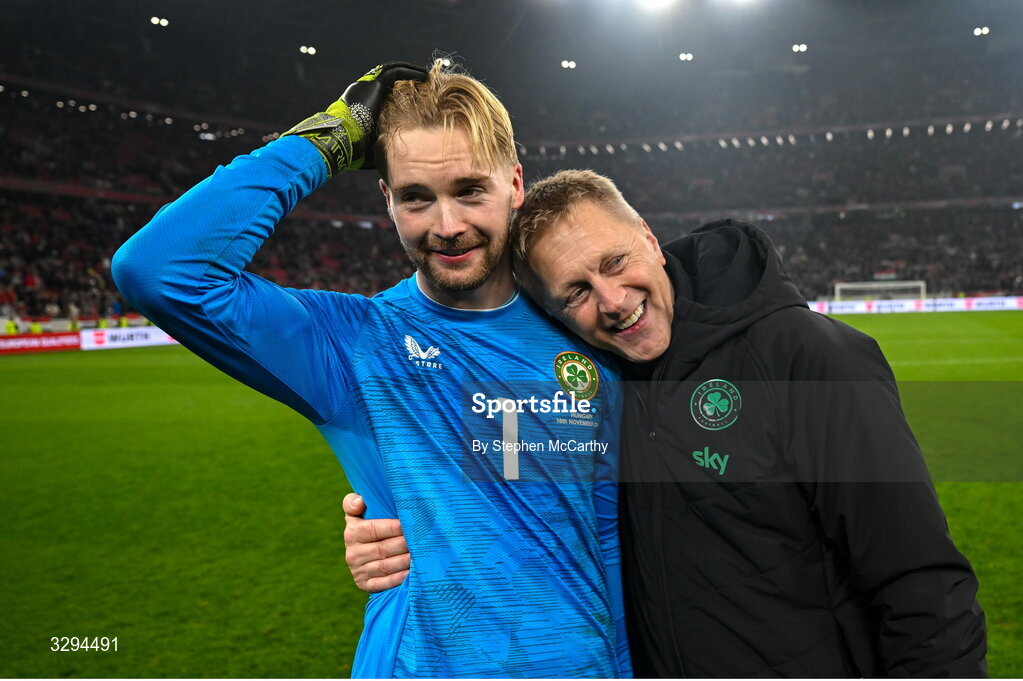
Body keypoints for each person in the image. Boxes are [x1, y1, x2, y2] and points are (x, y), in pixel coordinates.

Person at [344, 169, 988, 677]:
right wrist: (394, 536)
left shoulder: (804, 356)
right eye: (576, 292)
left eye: (616, 262)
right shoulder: (594, 392)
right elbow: (505, 503)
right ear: (554, 314)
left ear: (650, 238)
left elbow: (920, 580)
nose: (613, 301)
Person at [112, 65, 630, 678]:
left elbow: (606, 536)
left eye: (469, 190)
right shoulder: (352, 343)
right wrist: (327, 139)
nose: (447, 225)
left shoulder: (588, 323)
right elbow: (157, 271)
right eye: (416, 197)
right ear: (386, 200)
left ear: (515, 184)